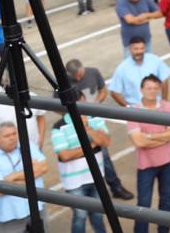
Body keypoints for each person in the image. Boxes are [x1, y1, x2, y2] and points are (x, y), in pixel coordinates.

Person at [127, 74, 170, 233]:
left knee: (166, 200)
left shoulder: (167, 106)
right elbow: (139, 142)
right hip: (146, 165)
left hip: (167, 161)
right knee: (144, 203)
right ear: (141, 90)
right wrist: (165, 137)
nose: (152, 91)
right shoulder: (134, 111)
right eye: (149, 88)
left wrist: (149, 137)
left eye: (155, 88)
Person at [52, 92, 112, 233]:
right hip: (74, 182)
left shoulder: (94, 118)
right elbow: (65, 155)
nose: (82, 107)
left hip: (96, 176)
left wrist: (87, 128)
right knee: (80, 216)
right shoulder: (59, 126)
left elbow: (105, 142)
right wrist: (91, 145)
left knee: (98, 214)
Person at [0, 121, 49, 232]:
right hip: (10, 217)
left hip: (37, 209)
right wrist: (31, 174)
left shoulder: (28, 145)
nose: (12, 138)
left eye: (14, 133)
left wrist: (11, 177)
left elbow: (44, 168)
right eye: (7, 136)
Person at [109, 37, 170, 106]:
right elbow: (114, 92)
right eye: (136, 49)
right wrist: (128, 108)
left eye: (142, 48)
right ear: (129, 49)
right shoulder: (122, 68)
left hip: (156, 105)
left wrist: (164, 100)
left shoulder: (155, 60)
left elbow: (164, 79)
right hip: (136, 109)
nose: (139, 52)